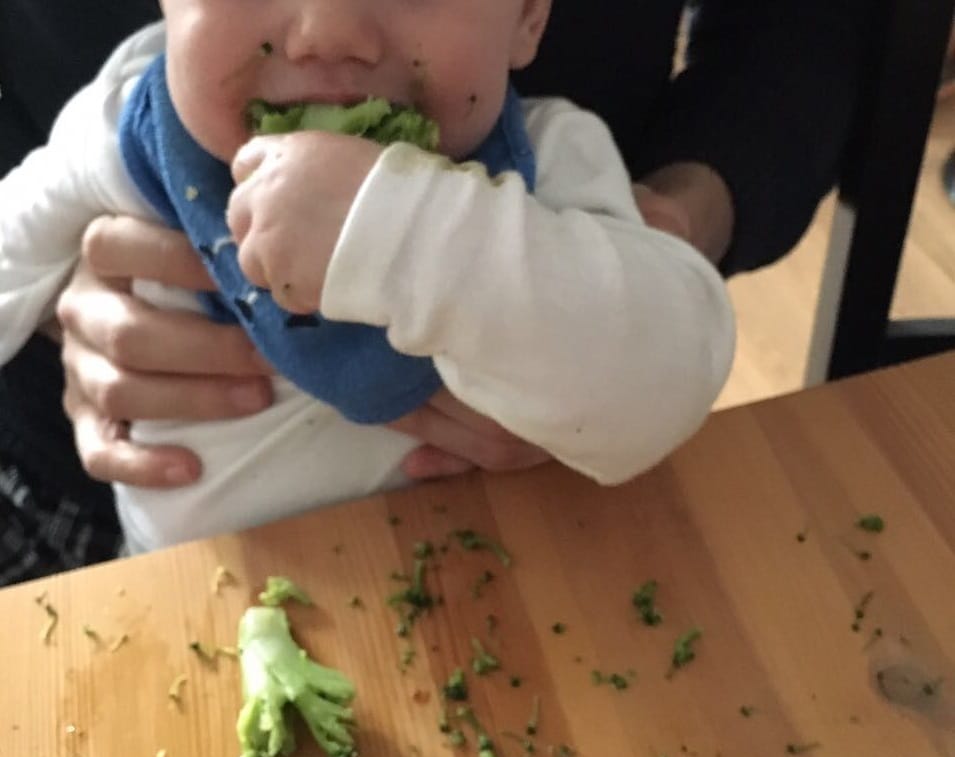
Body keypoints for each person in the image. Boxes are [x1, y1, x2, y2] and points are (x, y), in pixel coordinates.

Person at [0, 0, 865, 581]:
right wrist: (43, 307)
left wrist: (417, 236)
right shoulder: (124, 131)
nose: (325, 31)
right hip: (176, 589)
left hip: (523, 587)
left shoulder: (550, 179)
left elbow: (675, 363)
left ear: (528, 15)